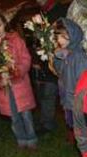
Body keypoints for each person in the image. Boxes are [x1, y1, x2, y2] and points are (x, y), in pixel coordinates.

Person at [0, 11, 37, 149]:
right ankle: (21, 140)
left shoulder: (16, 40)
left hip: (20, 84)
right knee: (13, 115)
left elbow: (25, 59)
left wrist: (15, 71)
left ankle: (31, 139)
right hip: (3, 87)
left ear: (5, 23)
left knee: (25, 114)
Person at [51, 18, 87, 144]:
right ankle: (84, 153)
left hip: (78, 103)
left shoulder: (78, 56)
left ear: (73, 36)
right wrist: (57, 58)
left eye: (63, 37)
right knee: (77, 131)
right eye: (57, 37)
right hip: (69, 101)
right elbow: (60, 72)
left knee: (85, 132)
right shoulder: (67, 54)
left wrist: (78, 104)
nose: (59, 40)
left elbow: (82, 83)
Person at [32, 0, 69, 135]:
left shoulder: (61, 10)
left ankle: (70, 125)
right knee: (47, 92)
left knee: (64, 95)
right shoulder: (42, 13)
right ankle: (47, 123)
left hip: (62, 60)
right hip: (46, 61)